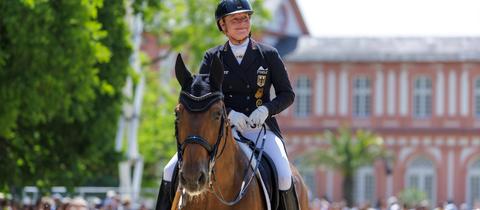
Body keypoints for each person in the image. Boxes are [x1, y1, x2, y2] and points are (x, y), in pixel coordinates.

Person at [155, 0, 297, 209]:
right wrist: (229, 114)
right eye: (235, 19)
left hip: (260, 130)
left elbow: (287, 94)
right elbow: (201, 96)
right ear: (223, 25)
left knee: (284, 174)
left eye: (245, 18)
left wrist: (266, 109)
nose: (242, 23)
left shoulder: (268, 54)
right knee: (170, 170)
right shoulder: (213, 56)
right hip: (220, 129)